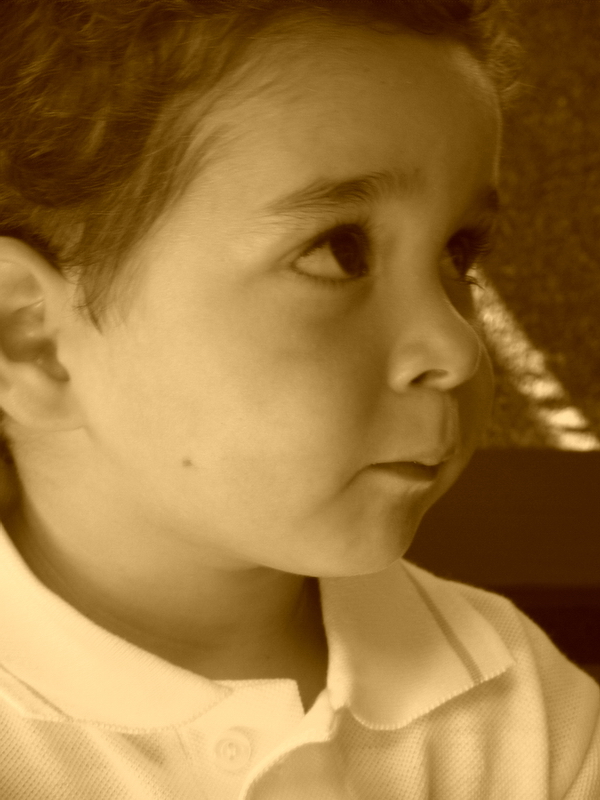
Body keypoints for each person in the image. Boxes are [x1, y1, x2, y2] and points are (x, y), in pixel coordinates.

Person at [0, 1, 597, 797]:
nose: (457, 348)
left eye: (459, 253)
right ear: (32, 341)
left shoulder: (531, 716)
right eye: (338, 251)